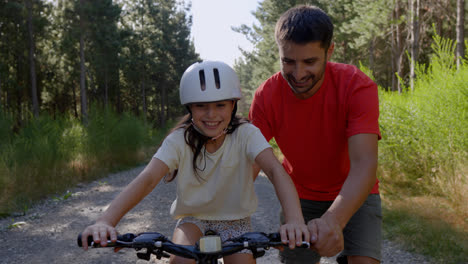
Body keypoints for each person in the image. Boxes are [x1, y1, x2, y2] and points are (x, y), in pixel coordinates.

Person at [80, 61, 309, 264]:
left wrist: (295, 221)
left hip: (236, 220)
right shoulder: (179, 140)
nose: (211, 114)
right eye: (201, 106)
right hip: (193, 219)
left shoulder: (246, 134)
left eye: (220, 105)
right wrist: (105, 221)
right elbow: (148, 178)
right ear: (189, 107)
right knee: (181, 259)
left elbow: (274, 170)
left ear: (233, 105)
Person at [249, 5, 382, 264]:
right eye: (288, 61)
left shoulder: (357, 86)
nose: (298, 74)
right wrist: (225, 212)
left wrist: (334, 219)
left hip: (354, 191)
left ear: (329, 51)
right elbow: (250, 163)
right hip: (299, 199)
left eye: (309, 62)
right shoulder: (266, 96)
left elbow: (365, 163)